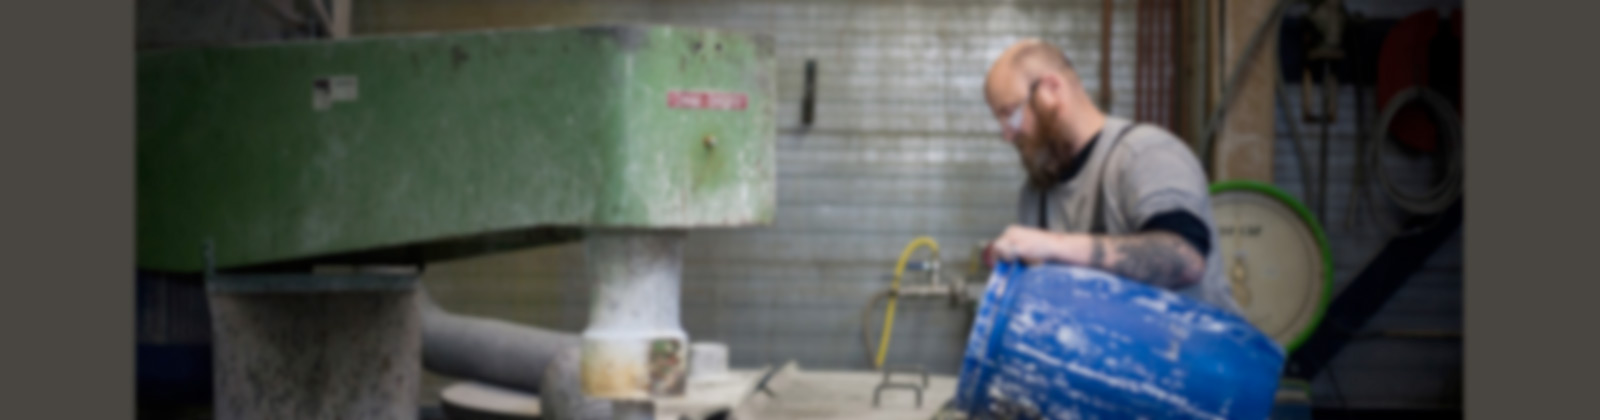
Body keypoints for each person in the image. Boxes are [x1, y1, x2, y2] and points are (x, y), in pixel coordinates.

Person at [981, 39, 1241, 314]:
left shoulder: (1145, 154)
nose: (1007, 134)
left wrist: (1052, 245)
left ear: (1052, 89)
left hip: (1195, 341)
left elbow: (1186, 260)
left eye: (1010, 114)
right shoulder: (1037, 193)